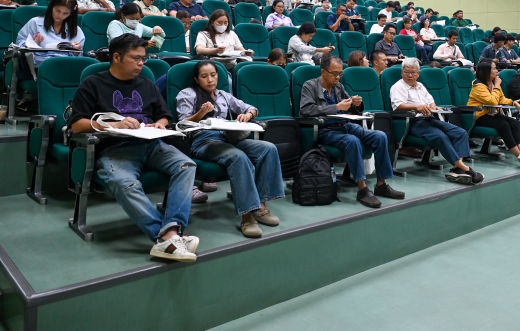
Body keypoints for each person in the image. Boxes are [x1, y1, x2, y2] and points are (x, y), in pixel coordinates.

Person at [68, 34, 199, 261]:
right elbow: (77, 125)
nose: (141, 63)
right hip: (115, 148)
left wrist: (160, 124)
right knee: (124, 182)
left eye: (143, 59)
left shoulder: (146, 84)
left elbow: (164, 115)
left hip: (151, 144)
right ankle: (166, 237)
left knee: (186, 165)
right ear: (117, 57)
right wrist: (113, 124)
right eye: (135, 58)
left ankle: (171, 231)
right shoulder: (93, 83)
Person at [176, 60, 282, 236]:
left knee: (268, 148)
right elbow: (182, 124)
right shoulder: (187, 94)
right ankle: (247, 216)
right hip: (203, 141)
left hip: (227, 137)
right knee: (238, 157)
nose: (210, 80)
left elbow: (252, 108)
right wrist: (201, 113)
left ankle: (260, 207)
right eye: (204, 76)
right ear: (196, 79)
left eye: (213, 75)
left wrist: (247, 115)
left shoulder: (223, 95)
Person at [300, 54, 404, 208]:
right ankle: (362, 189)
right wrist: (336, 107)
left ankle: (381, 184)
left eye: (340, 73)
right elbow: (306, 110)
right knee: (352, 141)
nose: (337, 77)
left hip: (345, 125)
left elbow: (351, 109)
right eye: (334, 73)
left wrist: (357, 104)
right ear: (323, 72)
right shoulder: (309, 86)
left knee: (380, 136)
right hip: (325, 130)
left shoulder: (338, 87)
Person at [391, 58, 484, 185]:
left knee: (460, 132)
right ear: (402, 72)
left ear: (418, 73)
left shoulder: (421, 86)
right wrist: (416, 106)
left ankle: (457, 168)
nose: (410, 75)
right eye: (407, 72)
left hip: (429, 119)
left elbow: (430, 101)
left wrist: (434, 107)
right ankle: (466, 169)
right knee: (440, 136)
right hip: (412, 121)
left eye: (413, 72)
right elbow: (397, 106)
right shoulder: (398, 87)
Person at [469, 60, 520, 167]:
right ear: (486, 71)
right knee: (504, 125)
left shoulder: (493, 83)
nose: (497, 71)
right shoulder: (478, 86)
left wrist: (514, 103)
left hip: (490, 114)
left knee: (514, 123)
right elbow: (492, 101)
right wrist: (497, 85)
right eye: (494, 69)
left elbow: (501, 99)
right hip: (478, 116)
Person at [16, 0, 84, 67]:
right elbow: (20, 46)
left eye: (65, 13)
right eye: (57, 10)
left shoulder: (76, 30)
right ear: (51, 7)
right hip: (39, 67)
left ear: (71, 13)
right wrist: (33, 44)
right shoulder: (35, 23)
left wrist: (76, 52)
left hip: (66, 67)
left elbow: (78, 60)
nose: (60, 15)